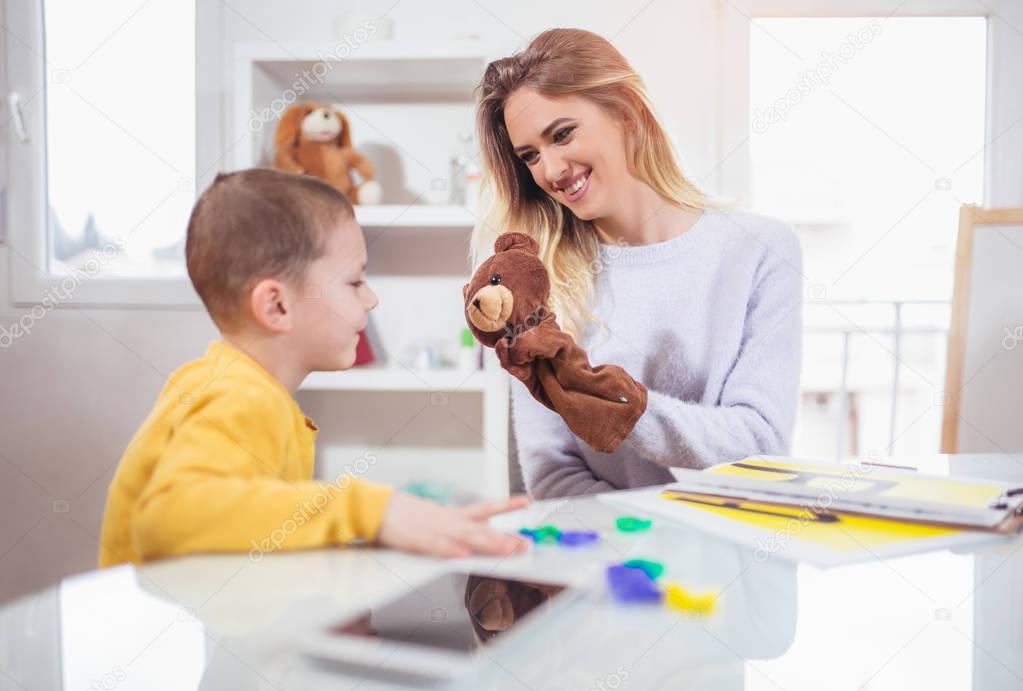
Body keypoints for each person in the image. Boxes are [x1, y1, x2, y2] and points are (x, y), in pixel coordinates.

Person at [99, 168, 527, 566]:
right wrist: (372, 512)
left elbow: (251, 534)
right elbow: (169, 518)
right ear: (277, 305)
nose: (371, 299)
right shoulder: (239, 397)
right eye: (355, 281)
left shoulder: (233, 385)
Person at [473, 28, 803, 498]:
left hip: (734, 556)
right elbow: (552, 475)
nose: (551, 170)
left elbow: (761, 444)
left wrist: (625, 411)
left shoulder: (760, 249)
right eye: (530, 156)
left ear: (624, 110)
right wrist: (644, 553)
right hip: (615, 562)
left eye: (562, 134)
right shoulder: (539, 282)